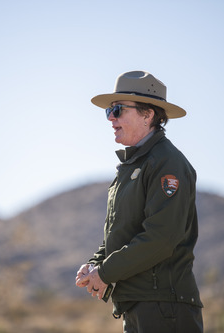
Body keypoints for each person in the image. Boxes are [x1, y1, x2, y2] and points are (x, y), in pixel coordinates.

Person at [75, 70, 203, 332]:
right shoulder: (133, 166)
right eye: (109, 111)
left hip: (164, 308)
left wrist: (105, 273)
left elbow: (160, 239)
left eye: (119, 110)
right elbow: (123, 234)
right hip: (139, 305)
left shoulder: (167, 162)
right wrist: (96, 265)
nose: (111, 118)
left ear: (148, 114)